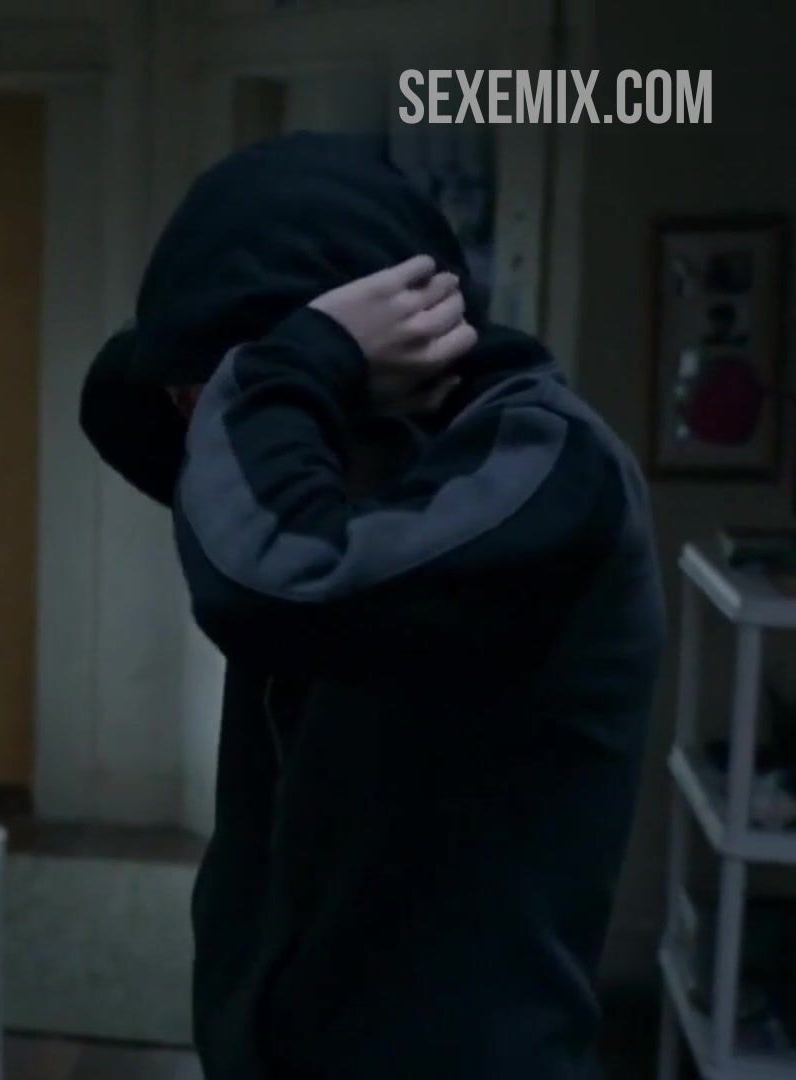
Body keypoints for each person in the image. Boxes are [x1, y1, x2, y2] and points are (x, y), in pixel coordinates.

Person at [80, 132, 664, 1079]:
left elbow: (278, 573)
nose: (199, 421)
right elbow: (123, 410)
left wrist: (303, 357)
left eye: (220, 392)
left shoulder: (549, 462)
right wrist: (285, 364)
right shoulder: (328, 478)